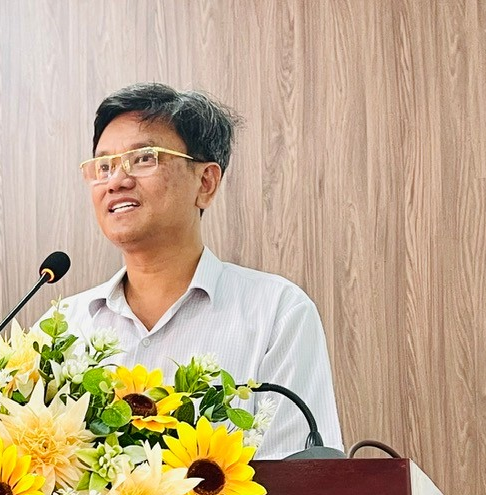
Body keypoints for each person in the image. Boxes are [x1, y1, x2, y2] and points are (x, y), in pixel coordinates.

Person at [51, 83, 343, 459]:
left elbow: (301, 479)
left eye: (144, 159)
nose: (116, 181)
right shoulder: (63, 327)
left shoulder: (276, 313)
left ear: (205, 183)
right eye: (103, 166)